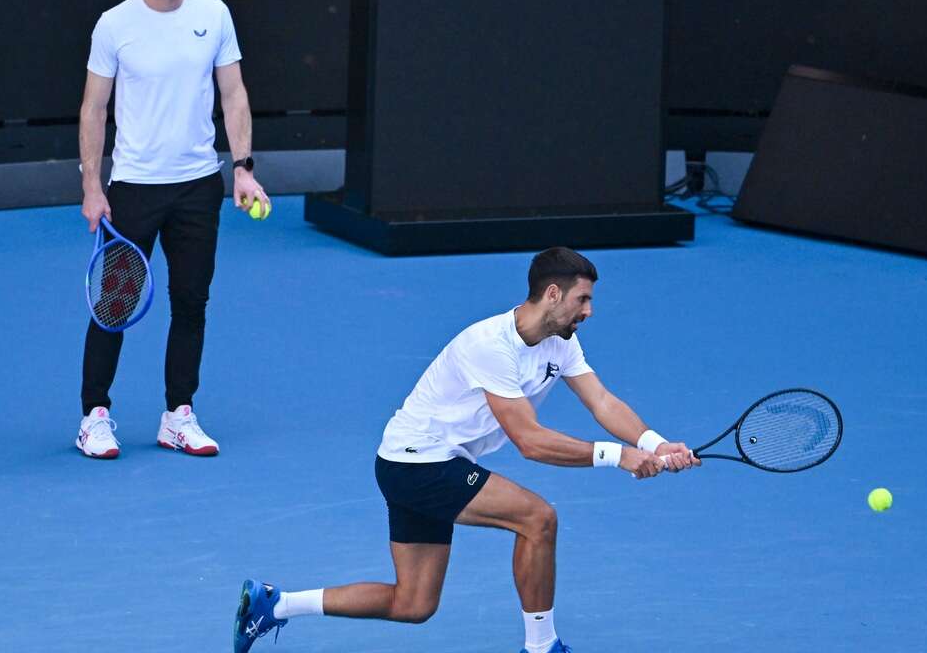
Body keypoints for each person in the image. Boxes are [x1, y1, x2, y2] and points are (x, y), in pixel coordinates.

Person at [233, 247, 700, 653]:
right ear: (553, 295)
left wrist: (653, 444)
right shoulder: (490, 346)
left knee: (412, 604)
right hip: (419, 464)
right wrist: (616, 456)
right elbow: (529, 441)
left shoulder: (561, 342)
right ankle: (541, 647)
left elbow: (602, 400)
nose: (589, 311)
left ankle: (275, 605)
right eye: (583, 299)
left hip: (416, 462)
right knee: (538, 519)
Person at [75, 0, 268, 459]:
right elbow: (95, 108)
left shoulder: (214, 14)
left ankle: (177, 415)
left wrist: (243, 168)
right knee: (113, 304)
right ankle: (94, 416)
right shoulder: (115, 24)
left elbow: (233, 93)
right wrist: (93, 186)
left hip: (197, 187)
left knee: (191, 303)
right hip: (133, 189)